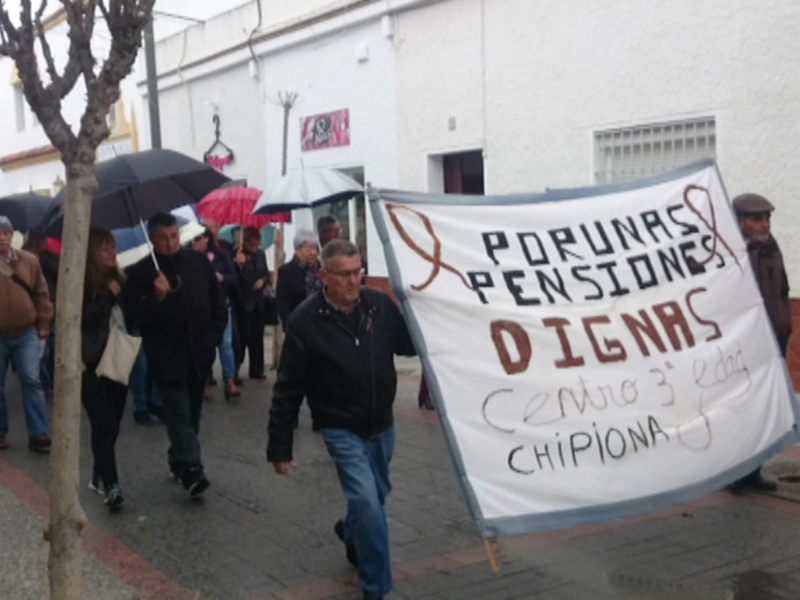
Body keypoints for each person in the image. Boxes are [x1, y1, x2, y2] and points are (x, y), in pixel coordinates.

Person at [268, 239, 416, 600]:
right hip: (340, 427)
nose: (354, 281)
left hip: (382, 424)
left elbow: (408, 346)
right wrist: (279, 445)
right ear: (324, 276)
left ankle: (350, 531)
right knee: (366, 500)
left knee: (374, 499)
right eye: (345, 275)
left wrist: (419, 308)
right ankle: (377, 589)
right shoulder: (305, 321)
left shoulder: (379, 305)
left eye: (358, 272)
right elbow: (288, 388)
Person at [124, 212, 226, 496]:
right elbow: (135, 316)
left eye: (173, 236)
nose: (169, 243)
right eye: (162, 238)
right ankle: (193, 469)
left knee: (192, 416)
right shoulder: (142, 272)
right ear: (153, 239)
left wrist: (214, 337)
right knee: (178, 415)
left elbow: (217, 302)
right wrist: (156, 297)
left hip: (200, 354)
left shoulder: (196, 262)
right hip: (167, 357)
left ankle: (178, 458)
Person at [728, 192, 791, 493]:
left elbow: (782, 288)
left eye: (767, 218)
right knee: (740, 410)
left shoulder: (771, 247)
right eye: (756, 219)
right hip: (744, 344)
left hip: (774, 339)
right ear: (739, 222)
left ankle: (753, 470)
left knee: (763, 409)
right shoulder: (726, 252)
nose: (764, 224)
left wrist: (785, 327)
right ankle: (733, 473)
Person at [81, 228, 129, 508]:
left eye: (112, 246)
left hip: (120, 359)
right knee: (102, 424)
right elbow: (81, 319)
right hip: (91, 363)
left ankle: (100, 470)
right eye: (104, 248)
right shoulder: (83, 283)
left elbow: (131, 315)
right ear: (92, 254)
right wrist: (107, 298)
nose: (112, 251)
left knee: (114, 423)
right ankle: (112, 485)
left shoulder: (122, 279)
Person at [0, 216, 53, 452]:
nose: (1, 237)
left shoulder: (29, 261)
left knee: (32, 380)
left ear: (12, 236)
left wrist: (44, 323)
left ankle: (38, 433)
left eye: (5, 233)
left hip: (26, 333)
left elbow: (42, 293)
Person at [190, 228, 240, 401]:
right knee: (204, 344)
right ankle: (204, 381)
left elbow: (234, 278)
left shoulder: (221, 256)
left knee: (226, 344)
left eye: (201, 238)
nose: (198, 241)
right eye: (195, 238)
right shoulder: (188, 258)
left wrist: (223, 278)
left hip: (220, 304)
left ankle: (229, 380)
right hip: (200, 308)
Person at [23, 233, 59, 399]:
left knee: (56, 348)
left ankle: (52, 381)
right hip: (30, 313)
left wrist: (42, 261)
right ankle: (43, 385)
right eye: (38, 239)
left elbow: (59, 273)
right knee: (38, 353)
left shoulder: (50, 258)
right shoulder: (22, 258)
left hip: (52, 308)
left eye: (44, 239)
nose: (42, 242)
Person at [233, 226, 272, 380]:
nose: (256, 247)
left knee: (257, 336)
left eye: (258, 244)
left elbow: (266, 274)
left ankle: (256, 369)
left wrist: (263, 281)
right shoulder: (236, 255)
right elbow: (236, 280)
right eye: (252, 244)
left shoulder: (261, 255)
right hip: (243, 302)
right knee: (242, 337)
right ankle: (234, 371)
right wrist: (240, 266)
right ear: (245, 242)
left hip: (258, 302)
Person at [275, 228, 321, 329]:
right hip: (298, 324)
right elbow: (282, 303)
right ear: (297, 250)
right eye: (308, 249)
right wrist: (289, 325)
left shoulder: (322, 270)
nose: (313, 253)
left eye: (315, 248)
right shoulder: (286, 271)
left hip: (322, 324)